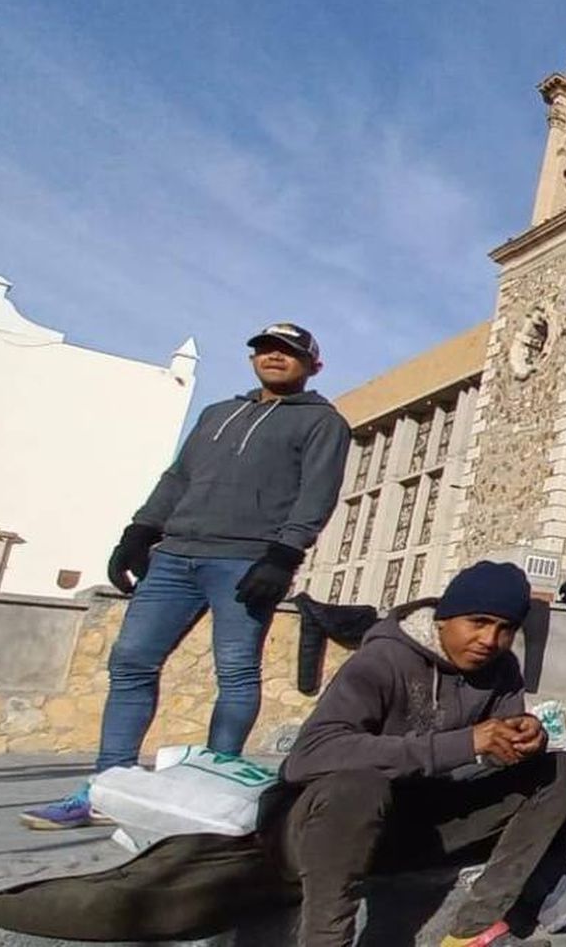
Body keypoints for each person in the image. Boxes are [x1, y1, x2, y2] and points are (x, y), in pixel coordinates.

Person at [23, 323, 350, 831]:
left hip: (246, 561)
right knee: (131, 661)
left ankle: (208, 791)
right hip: (175, 556)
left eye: (288, 352)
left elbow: (318, 493)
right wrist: (139, 530)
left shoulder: (322, 423)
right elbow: (177, 477)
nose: (274, 357)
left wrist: (285, 555)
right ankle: (107, 786)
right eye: (265, 349)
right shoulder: (217, 414)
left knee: (236, 671)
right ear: (253, 358)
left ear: (312, 365)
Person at [260, 560, 566, 947]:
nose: (488, 640)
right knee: (359, 788)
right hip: (322, 833)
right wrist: (464, 742)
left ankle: (472, 929)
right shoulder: (382, 660)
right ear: (444, 619)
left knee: (560, 769)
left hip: (415, 827)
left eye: (504, 630)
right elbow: (309, 756)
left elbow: (493, 752)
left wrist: (524, 740)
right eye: (478, 622)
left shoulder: (501, 668)